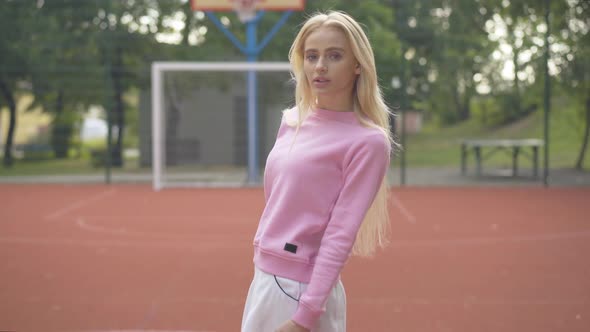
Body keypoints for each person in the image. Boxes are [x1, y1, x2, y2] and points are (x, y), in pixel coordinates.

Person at [241, 10, 395, 332]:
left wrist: (306, 316)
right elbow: (278, 201)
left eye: (334, 55)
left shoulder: (368, 141)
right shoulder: (292, 120)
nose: (319, 66)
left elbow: (340, 234)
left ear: (357, 65)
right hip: (265, 279)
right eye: (311, 56)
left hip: (299, 291)